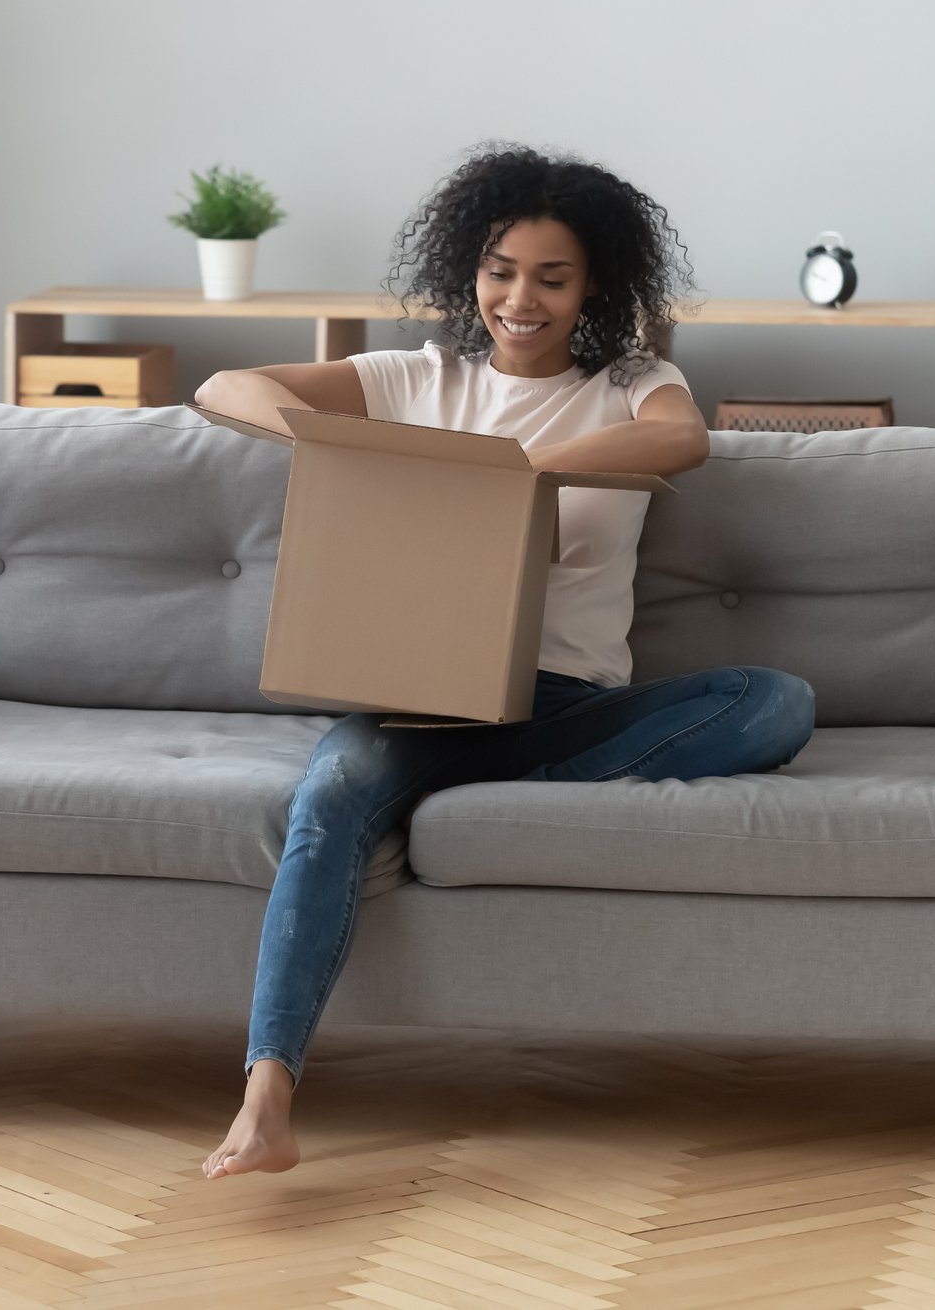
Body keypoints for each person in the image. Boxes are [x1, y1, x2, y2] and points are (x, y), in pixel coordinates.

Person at [190, 142, 817, 1178]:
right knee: (328, 797)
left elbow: (684, 441)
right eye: (500, 271)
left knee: (775, 700)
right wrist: (342, 446)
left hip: (567, 704)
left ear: (593, 286)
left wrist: (513, 474)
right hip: (421, 703)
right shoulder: (412, 378)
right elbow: (224, 386)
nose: (520, 300)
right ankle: (265, 1102)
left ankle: (510, 782)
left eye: (552, 278)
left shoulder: (632, 384)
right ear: (468, 270)